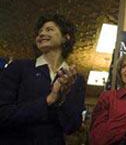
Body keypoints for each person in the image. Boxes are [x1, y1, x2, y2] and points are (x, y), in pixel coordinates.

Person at [0, 14, 86, 145]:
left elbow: (72, 126)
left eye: (49, 29)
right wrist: (48, 100)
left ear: (66, 37)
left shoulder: (76, 79)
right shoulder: (18, 67)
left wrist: (62, 99)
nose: (41, 34)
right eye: (40, 31)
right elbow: (3, 114)